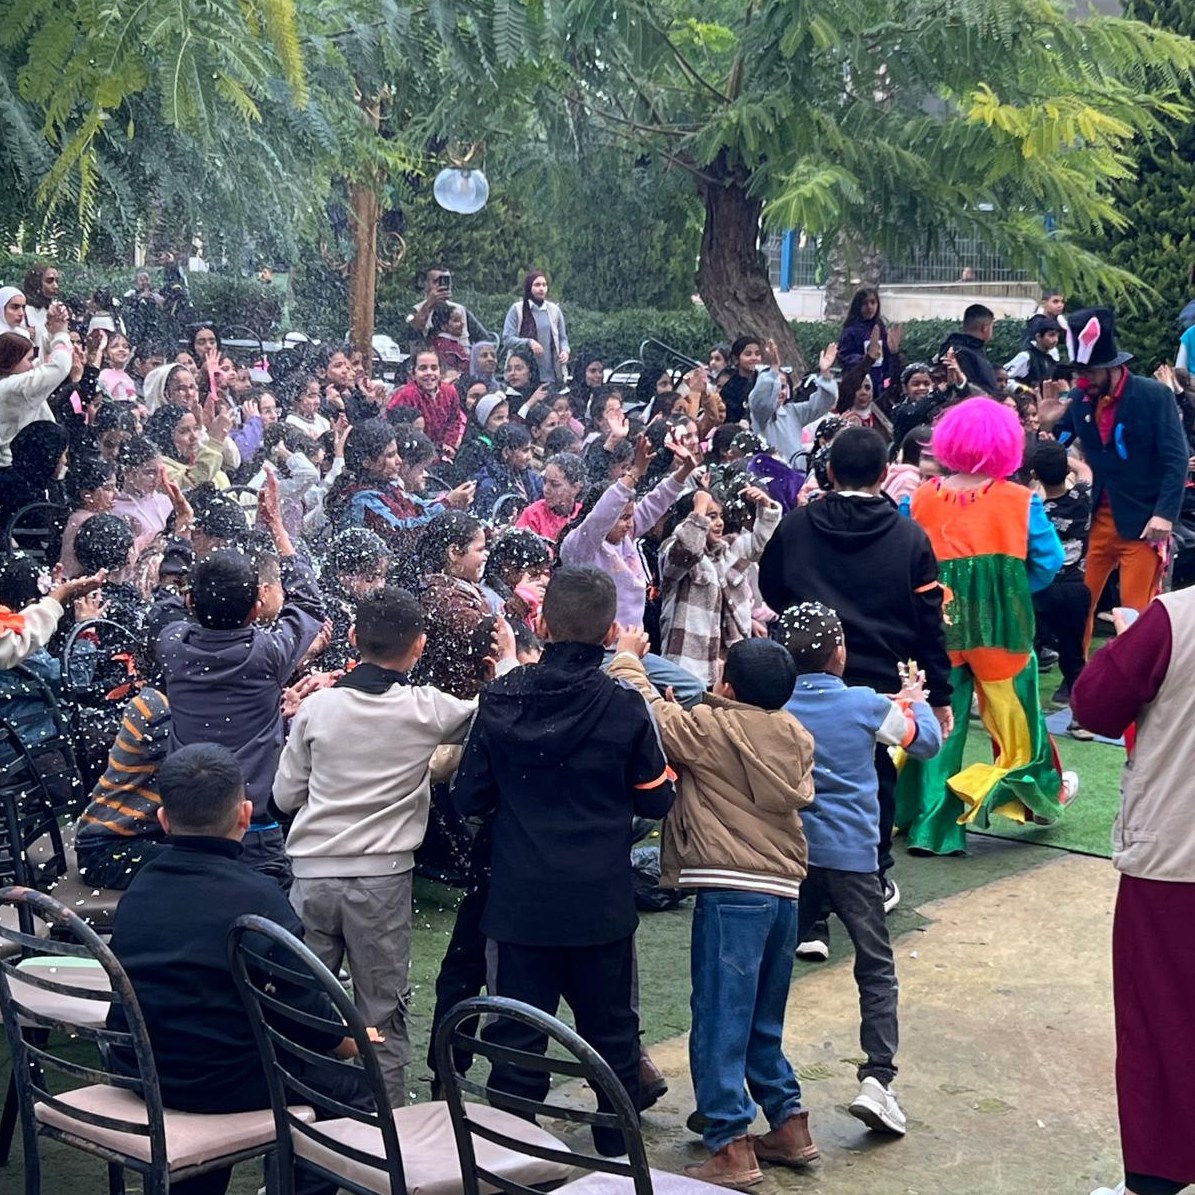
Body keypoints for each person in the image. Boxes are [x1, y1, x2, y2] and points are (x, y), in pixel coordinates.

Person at [451, 566, 676, 1156]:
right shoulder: (624, 706)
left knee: (515, 1032)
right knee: (612, 1028)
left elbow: (468, 796)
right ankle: (615, 1145)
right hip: (600, 900)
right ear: (611, 635)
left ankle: (515, 1152)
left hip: (518, 898)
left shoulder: (501, 699)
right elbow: (657, 797)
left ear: (542, 625)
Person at [275, 587, 513, 1106]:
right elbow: (491, 712)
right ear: (419, 646)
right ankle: (384, 1123)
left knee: (306, 1005)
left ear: (353, 637)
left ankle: (304, 1113)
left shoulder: (317, 708)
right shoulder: (426, 708)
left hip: (311, 876)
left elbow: (285, 796)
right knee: (381, 1009)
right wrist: (509, 661)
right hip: (381, 881)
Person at [105, 743, 373, 1195]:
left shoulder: (140, 886)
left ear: (164, 820)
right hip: (222, 1083)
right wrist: (346, 1039)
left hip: (139, 1068)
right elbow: (301, 1013)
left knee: (215, 1041)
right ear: (245, 815)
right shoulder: (259, 897)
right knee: (352, 1092)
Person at [608, 635, 815, 1187]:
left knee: (720, 1018)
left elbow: (646, 710)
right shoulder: (794, 734)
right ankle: (789, 1122)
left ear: (727, 687)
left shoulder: (709, 729)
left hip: (732, 894)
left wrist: (627, 655)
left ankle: (729, 1144)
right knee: (761, 1018)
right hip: (784, 893)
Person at [759, 427, 952, 926]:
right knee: (872, 772)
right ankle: (873, 873)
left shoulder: (797, 526)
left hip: (800, 673)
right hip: (876, 676)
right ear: (885, 473)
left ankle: (803, 886)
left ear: (828, 471)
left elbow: (771, 588)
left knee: (793, 768)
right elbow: (929, 619)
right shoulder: (909, 536)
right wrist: (939, 692)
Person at [780, 603, 942, 1143]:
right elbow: (925, 743)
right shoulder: (865, 704)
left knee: (765, 968)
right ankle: (877, 1078)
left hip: (790, 856)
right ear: (840, 652)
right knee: (875, 967)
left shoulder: (775, 702)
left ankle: (757, 1083)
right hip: (853, 859)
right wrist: (914, 703)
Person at [894, 398, 1076, 857]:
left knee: (939, 720)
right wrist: (1010, 591)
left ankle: (930, 826)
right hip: (1003, 633)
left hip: (937, 629)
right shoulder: (1021, 501)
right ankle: (1026, 797)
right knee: (1019, 725)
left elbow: (903, 561)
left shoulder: (919, 498)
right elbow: (1050, 561)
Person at [1070, 594, 1195, 1195]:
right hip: (1174, 851)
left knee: (1159, 1022)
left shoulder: (1175, 619)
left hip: (1177, 855)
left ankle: (1155, 1179)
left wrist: (1127, 640)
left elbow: (1093, 704)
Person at [157, 474, 325, 885]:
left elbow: (165, 597)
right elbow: (308, 604)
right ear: (256, 608)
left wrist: (182, 532)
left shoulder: (172, 646)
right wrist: (278, 528)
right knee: (264, 918)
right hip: (254, 824)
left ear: (191, 601)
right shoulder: (268, 653)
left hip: (187, 824)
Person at [1037, 308, 1189, 650]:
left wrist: (1164, 514)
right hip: (1096, 521)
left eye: (1088, 372)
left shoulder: (1154, 396)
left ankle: (1135, 677)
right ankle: (1078, 673)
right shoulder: (1079, 399)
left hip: (1144, 523)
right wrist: (1046, 425)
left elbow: (1176, 458)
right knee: (1079, 605)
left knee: (1134, 615)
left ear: (1111, 367)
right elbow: (1053, 452)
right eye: (1079, 373)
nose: (1082, 380)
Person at [559, 435, 696, 630]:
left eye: (630, 516)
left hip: (632, 640)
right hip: (597, 642)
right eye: (623, 517)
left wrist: (685, 471)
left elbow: (655, 502)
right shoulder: (583, 546)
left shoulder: (626, 537)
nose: (629, 524)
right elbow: (602, 514)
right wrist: (635, 472)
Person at [658, 484, 781, 688]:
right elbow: (688, 549)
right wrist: (699, 508)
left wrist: (765, 506)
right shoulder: (671, 551)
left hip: (730, 666)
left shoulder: (729, 549)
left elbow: (762, 544)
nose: (719, 523)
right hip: (689, 670)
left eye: (720, 516)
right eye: (711, 516)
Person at [75, 687, 173, 889]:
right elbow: (196, 774)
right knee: (206, 865)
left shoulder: (180, 703)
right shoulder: (156, 707)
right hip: (109, 847)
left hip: (151, 836)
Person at [1030, 440, 1092, 721]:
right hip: (1075, 588)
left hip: (1040, 588)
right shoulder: (1083, 498)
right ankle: (1081, 718)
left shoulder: (1036, 510)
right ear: (1066, 470)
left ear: (1035, 474)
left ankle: (1027, 711)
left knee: (1029, 651)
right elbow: (1086, 472)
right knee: (1073, 654)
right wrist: (1067, 460)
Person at [0, 302, 72, 466]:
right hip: (14, 468)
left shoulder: (11, 382)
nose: (33, 365)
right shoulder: (12, 387)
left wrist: (51, 333)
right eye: (29, 359)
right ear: (12, 361)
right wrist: (60, 334)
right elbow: (59, 367)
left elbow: (43, 365)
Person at [749, 339, 839, 464]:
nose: (779, 392)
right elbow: (762, 401)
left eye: (783, 387)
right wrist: (773, 368)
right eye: (776, 386)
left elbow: (822, 404)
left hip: (797, 472)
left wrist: (825, 373)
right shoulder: (760, 415)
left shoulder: (793, 411)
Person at [387, 347, 466, 459]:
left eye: (434, 368)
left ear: (440, 371)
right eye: (423, 368)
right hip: (414, 455)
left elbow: (454, 420)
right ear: (413, 373)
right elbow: (393, 424)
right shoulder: (405, 395)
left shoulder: (450, 392)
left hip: (443, 452)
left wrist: (449, 443)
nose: (429, 373)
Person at [502, 271, 569, 389]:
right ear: (529, 287)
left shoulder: (554, 310)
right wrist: (529, 342)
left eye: (544, 285)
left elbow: (563, 338)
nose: (541, 288)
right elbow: (507, 339)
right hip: (523, 377)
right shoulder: (517, 309)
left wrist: (565, 351)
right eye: (537, 285)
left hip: (551, 375)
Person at [407, 266, 490, 348]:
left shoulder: (461, 310)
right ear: (426, 285)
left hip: (461, 355)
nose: (442, 285)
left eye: (446, 281)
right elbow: (411, 332)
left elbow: (485, 340)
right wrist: (429, 304)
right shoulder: (417, 309)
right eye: (436, 282)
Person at [474, 422, 543, 517]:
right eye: (525, 451)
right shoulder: (488, 483)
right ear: (507, 452)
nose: (530, 457)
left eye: (531, 450)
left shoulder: (529, 476)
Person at [514, 451, 586, 540]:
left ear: (575, 488)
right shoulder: (533, 514)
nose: (545, 489)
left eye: (555, 484)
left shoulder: (584, 516)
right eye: (544, 482)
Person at [837, 287, 895, 396]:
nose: (869, 307)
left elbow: (887, 356)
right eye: (865, 303)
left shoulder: (880, 327)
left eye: (873, 302)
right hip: (858, 383)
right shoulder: (851, 331)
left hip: (879, 383)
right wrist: (865, 359)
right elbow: (843, 355)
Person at [938, 304, 1000, 394]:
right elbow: (962, 388)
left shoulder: (972, 349)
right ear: (985, 328)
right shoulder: (962, 353)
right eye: (992, 326)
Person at [1004, 315, 1061, 388]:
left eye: (1057, 336)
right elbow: (1003, 378)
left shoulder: (1053, 356)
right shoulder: (1026, 357)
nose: (1056, 340)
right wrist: (1023, 389)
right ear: (1038, 337)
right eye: (1051, 335)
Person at [719, 336, 763, 424]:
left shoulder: (764, 381)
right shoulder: (730, 388)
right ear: (736, 359)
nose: (754, 358)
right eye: (748, 354)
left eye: (757, 354)